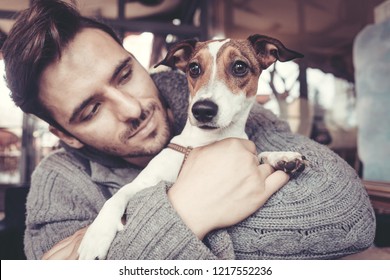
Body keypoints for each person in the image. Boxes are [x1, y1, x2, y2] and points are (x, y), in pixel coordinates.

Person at [2, 0, 375, 260]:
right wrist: (188, 207)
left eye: (125, 74)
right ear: (63, 133)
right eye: (91, 108)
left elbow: (350, 218)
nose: (131, 109)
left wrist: (142, 235)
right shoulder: (58, 186)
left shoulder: (256, 127)